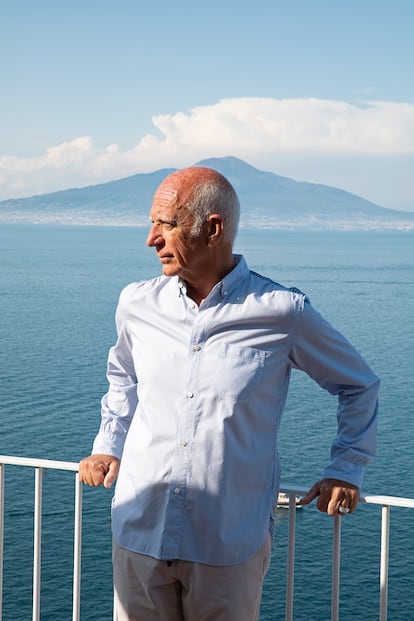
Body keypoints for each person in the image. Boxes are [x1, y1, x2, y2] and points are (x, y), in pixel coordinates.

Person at [79, 166, 379, 621]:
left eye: (167, 224)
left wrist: (346, 468)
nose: (151, 239)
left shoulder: (282, 313)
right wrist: (108, 444)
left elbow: (358, 384)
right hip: (139, 530)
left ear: (212, 229)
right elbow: (123, 377)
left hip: (227, 542)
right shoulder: (137, 303)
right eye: (152, 223)